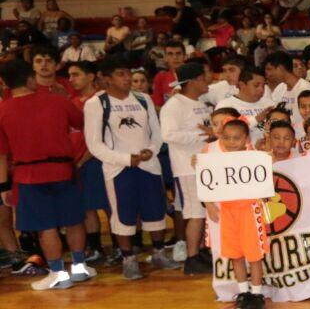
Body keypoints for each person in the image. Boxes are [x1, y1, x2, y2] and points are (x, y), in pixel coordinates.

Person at [84, 56, 181, 281]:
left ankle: (158, 252)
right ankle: (128, 259)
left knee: (156, 210)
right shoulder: (96, 103)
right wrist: (126, 159)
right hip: (118, 169)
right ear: (106, 79)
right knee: (123, 215)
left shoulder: (143, 99)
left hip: (149, 165)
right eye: (121, 74)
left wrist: (150, 150)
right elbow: (94, 144)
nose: (128, 78)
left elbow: (156, 134)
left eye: (128, 73)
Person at [0, 59, 93, 290]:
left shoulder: (2, 110)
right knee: (73, 219)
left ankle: (58, 273)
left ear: (5, 83)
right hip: (63, 169)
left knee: (46, 226)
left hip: (28, 174)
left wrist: (3, 186)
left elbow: (1, 154)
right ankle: (80, 268)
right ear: (31, 78)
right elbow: (81, 123)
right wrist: (65, 99)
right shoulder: (58, 101)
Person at [206, 118, 269, 309]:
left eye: (236, 138)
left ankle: (257, 294)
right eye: (227, 138)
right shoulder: (216, 158)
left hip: (250, 211)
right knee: (235, 254)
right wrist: (209, 204)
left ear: (246, 138)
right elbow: (206, 182)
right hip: (227, 211)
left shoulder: (255, 156)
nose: (231, 142)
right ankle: (243, 293)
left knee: (254, 255)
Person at [160, 62, 215, 275]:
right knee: (195, 212)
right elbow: (169, 135)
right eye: (205, 76)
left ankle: (200, 251)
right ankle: (191, 257)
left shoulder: (199, 102)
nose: (209, 80)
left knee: (203, 212)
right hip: (187, 167)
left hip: (204, 165)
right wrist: (203, 135)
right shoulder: (175, 105)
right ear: (194, 80)